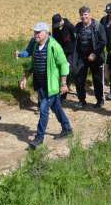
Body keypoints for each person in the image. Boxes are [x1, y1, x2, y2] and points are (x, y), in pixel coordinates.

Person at [19, 22, 72, 150]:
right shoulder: (36, 45)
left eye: (38, 32)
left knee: (43, 109)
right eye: (34, 32)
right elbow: (33, 64)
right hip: (41, 85)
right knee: (56, 107)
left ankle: (39, 138)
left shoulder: (54, 46)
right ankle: (67, 129)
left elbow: (64, 64)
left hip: (51, 86)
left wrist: (64, 83)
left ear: (46, 33)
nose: (35, 35)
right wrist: (25, 77)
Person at [73, 6, 107, 109]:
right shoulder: (78, 27)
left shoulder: (97, 26)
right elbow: (74, 40)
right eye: (82, 15)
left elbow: (103, 42)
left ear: (90, 14)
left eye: (85, 15)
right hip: (82, 57)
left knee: (97, 80)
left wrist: (94, 54)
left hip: (95, 57)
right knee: (79, 79)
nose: (83, 17)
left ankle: (100, 100)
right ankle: (81, 100)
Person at [51, 13, 77, 99]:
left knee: (71, 69)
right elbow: (54, 38)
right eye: (54, 25)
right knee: (61, 70)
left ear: (61, 21)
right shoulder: (55, 27)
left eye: (56, 24)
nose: (55, 26)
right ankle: (62, 92)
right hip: (60, 52)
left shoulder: (69, 26)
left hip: (71, 51)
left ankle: (69, 84)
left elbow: (76, 37)